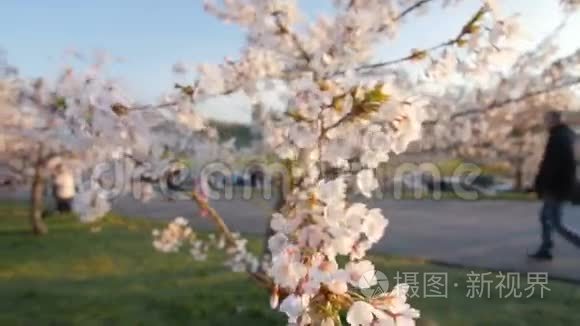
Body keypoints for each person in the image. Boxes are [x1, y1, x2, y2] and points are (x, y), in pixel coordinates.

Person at [530, 110, 580, 260]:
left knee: (555, 222)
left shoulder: (558, 137)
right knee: (545, 217)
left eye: (547, 119)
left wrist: (540, 183)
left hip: (555, 187)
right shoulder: (569, 135)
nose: (545, 123)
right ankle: (546, 248)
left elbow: (550, 165)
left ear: (554, 120)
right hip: (562, 185)